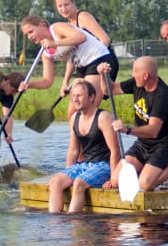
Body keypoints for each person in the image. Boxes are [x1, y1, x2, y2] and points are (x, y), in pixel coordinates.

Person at [97, 56, 168, 192]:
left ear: (146, 75)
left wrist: (127, 129)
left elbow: (153, 130)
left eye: (135, 71)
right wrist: (103, 75)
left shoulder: (162, 96)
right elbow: (109, 90)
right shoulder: (137, 83)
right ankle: (147, 168)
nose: (132, 74)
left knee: (146, 184)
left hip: (164, 143)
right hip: (144, 143)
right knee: (116, 181)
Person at [48, 79, 120, 214]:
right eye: (73, 96)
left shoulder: (103, 117)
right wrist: (66, 174)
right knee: (56, 182)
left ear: (92, 97)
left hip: (104, 165)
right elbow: (74, 150)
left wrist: (113, 178)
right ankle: (55, 224)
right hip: (85, 164)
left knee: (79, 183)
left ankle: (73, 220)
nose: (75, 99)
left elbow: (115, 150)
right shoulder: (75, 117)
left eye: (79, 96)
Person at [19, 16, 111, 97]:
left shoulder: (57, 28)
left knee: (87, 104)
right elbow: (47, 81)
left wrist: (54, 43)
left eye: (31, 32)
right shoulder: (45, 53)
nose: (29, 37)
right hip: (82, 67)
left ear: (41, 25)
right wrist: (29, 85)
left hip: (99, 58)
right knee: (72, 111)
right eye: (27, 35)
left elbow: (81, 37)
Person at [54, 0, 119, 79]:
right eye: (60, 6)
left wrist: (92, 59)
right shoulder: (68, 26)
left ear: (73, 3)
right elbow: (73, 57)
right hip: (85, 64)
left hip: (102, 60)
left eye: (66, 4)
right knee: (79, 91)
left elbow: (105, 39)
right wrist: (65, 82)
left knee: (95, 92)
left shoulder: (82, 17)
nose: (64, 9)